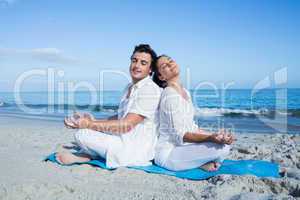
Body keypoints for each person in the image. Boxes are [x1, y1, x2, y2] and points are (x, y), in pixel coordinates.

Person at [56, 44, 162, 168]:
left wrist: (88, 124)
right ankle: (90, 154)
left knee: (82, 134)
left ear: (150, 69)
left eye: (143, 63)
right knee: (86, 131)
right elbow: (121, 116)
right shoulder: (129, 87)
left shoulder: (149, 90)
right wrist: (93, 120)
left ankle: (89, 155)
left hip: (135, 150)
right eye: (134, 60)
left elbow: (126, 125)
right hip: (123, 139)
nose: (137, 65)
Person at [152, 55, 234, 172]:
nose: (170, 64)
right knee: (221, 149)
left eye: (170, 60)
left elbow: (192, 127)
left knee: (225, 145)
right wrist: (210, 138)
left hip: (183, 148)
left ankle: (197, 162)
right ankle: (198, 163)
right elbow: (180, 135)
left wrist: (217, 136)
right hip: (168, 153)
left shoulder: (185, 92)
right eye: (164, 65)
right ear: (161, 76)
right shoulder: (169, 94)